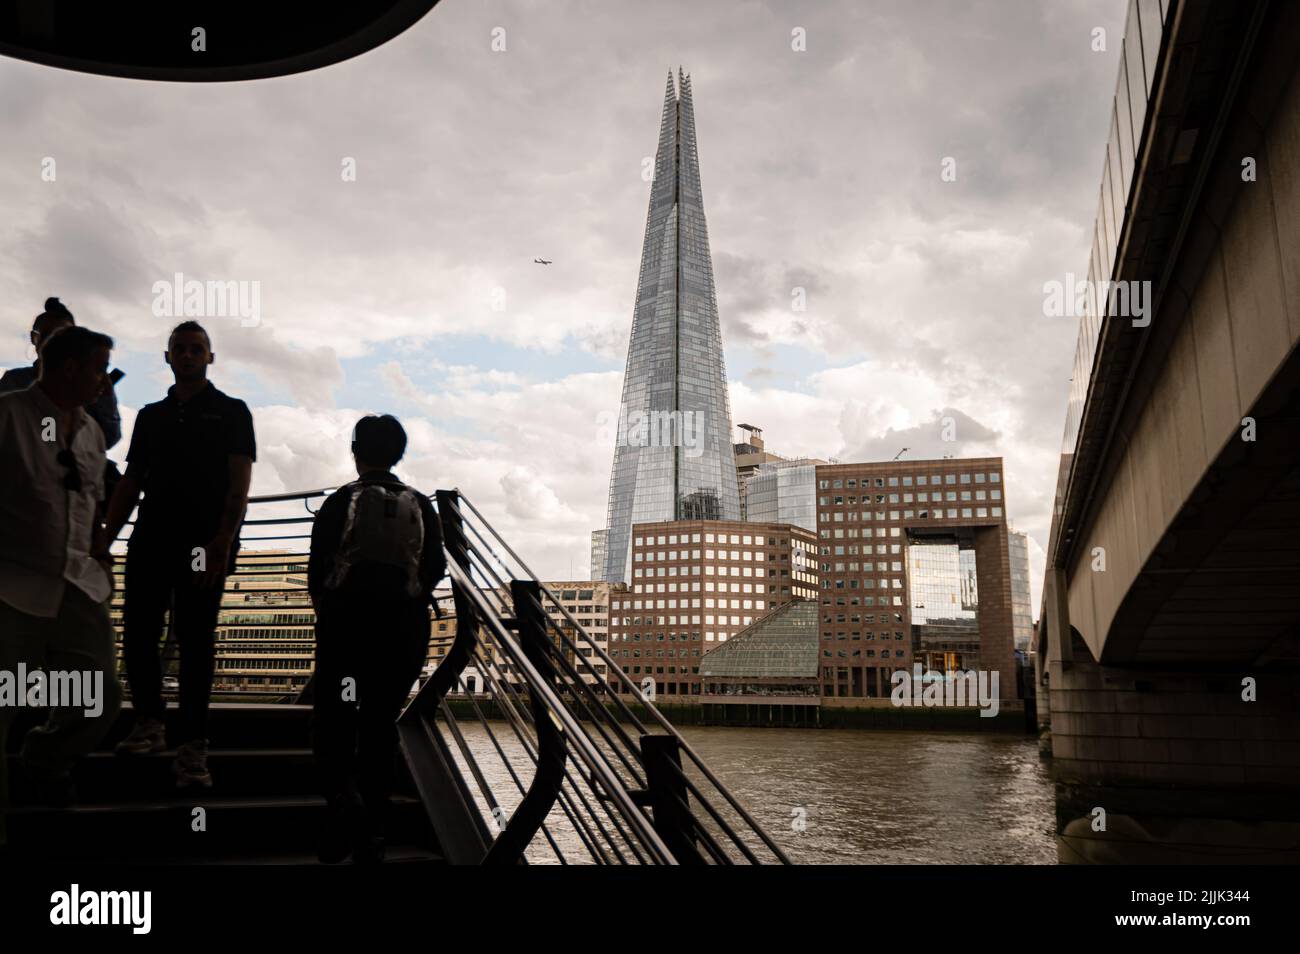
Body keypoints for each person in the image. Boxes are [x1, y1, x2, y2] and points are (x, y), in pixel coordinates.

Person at [98, 321, 255, 789]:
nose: (187, 355)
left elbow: (238, 484)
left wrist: (223, 540)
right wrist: (104, 540)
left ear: (210, 357)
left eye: (196, 349)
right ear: (167, 358)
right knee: (140, 634)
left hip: (203, 544)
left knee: (196, 641)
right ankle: (149, 722)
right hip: (150, 540)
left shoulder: (232, 412)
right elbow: (131, 482)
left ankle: (192, 746)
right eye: (179, 349)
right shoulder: (151, 416)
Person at [0, 326, 123, 847]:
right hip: (11, 585)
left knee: (103, 696)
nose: (104, 382)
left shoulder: (92, 433)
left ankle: (45, 758)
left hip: (76, 583)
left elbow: (88, 503)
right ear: (70, 368)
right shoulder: (8, 416)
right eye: (99, 369)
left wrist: (100, 555)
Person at [307, 414, 445, 864]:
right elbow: (435, 567)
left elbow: (318, 568)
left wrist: (329, 613)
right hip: (402, 632)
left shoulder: (340, 501)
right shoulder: (422, 505)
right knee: (379, 725)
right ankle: (375, 828)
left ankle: (344, 812)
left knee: (335, 722)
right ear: (399, 452)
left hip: (346, 629)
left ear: (355, 450)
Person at [0, 297, 123, 451]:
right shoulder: (14, 383)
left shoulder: (93, 388)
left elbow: (108, 437)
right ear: (34, 338)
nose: (57, 343)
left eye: (64, 336)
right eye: (49, 336)